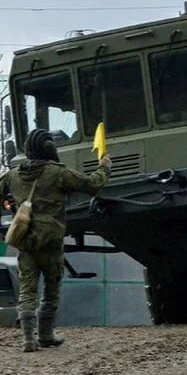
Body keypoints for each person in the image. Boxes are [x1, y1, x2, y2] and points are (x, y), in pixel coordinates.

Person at [0, 129, 111, 352]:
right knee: (51, 288)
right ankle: (45, 334)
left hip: (25, 241)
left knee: (27, 289)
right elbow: (92, 185)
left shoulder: (12, 175)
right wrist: (104, 166)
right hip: (51, 240)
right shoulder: (57, 173)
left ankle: (28, 339)